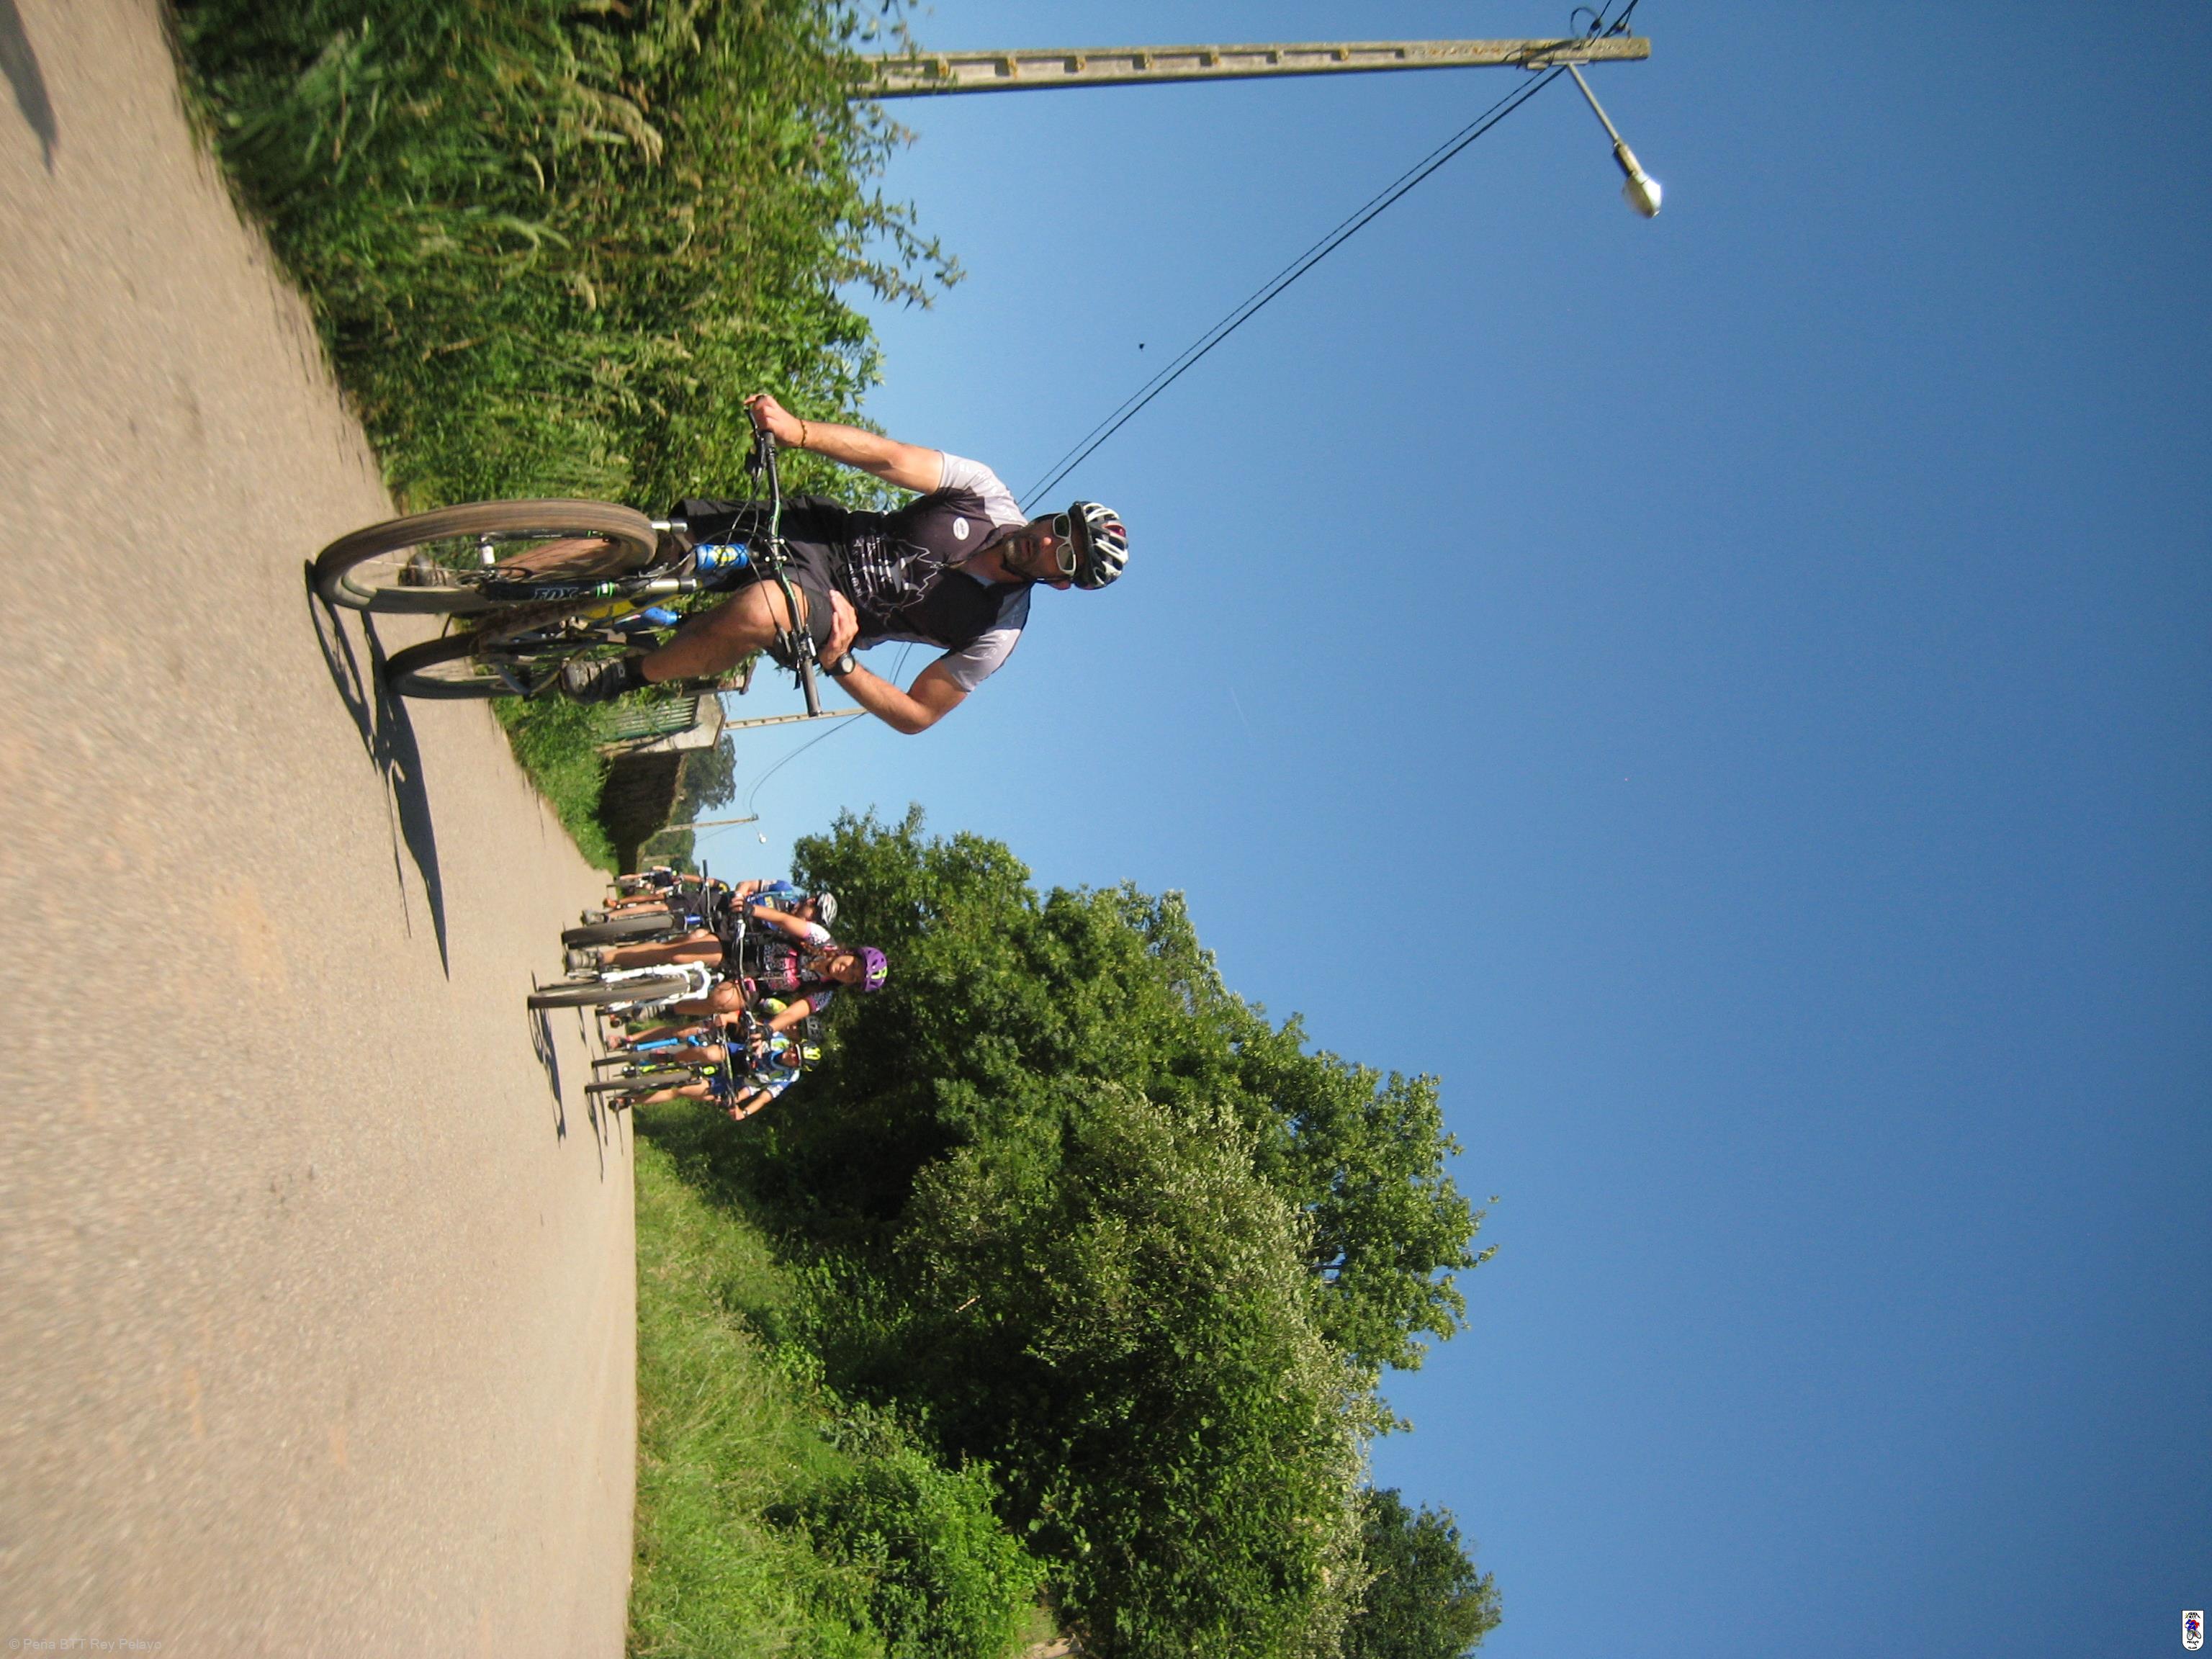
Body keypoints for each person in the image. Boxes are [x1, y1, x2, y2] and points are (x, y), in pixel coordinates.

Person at [559, 392, 1130, 733]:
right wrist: (798, 431)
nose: (1049, 544)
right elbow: (890, 458)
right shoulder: (983, 492)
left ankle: (628, 675)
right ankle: (515, 578)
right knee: (650, 542)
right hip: (823, 534)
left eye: (1066, 555)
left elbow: (917, 714)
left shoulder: (996, 632)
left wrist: (841, 664)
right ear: (1053, 516)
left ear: (1061, 582)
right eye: (1061, 529)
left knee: (763, 609)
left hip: (836, 611)